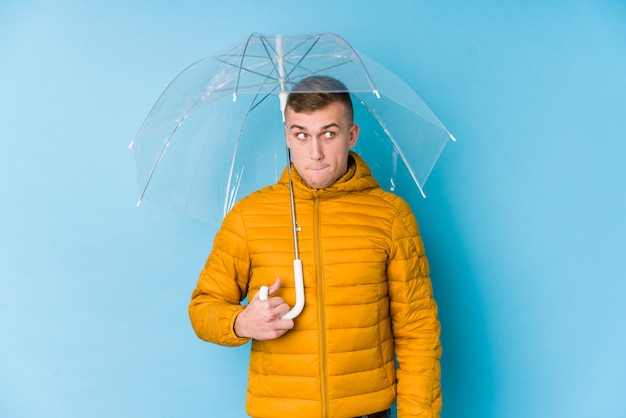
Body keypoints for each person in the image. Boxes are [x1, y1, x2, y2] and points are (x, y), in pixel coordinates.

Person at [189, 75, 442, 418]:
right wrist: (240, 323)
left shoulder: (391, 216)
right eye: (302, 135)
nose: (316, 152)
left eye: (329, 133)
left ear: (351, 136)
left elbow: (418, 332)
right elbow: (203, 308)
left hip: (366, 411)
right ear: (288, 136)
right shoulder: (249, 216)